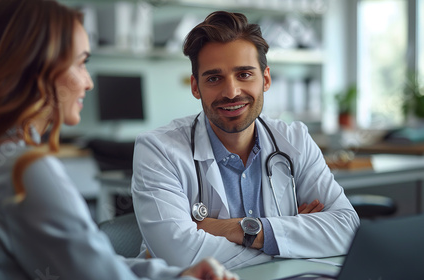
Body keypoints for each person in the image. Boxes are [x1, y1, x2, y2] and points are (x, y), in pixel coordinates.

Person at [0, 1, 239, 279]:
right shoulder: (23, 171)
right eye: (80, 62)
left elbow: (88, 266)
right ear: (38, 69)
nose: (87, 82)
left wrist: (174, 275)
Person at [131, 11, 360, 270]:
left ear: (266, 78)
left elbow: (347, 228)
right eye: (214, 78)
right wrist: (290, 240)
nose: (231, 92)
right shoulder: (158, 150)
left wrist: (243, 230)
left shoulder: (295, 139)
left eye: (244, 74)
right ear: (196, 87)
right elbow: (181, 256)